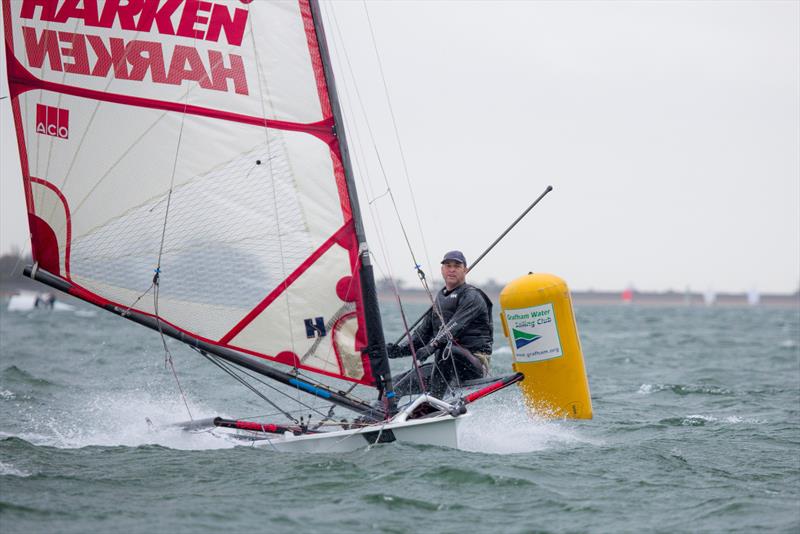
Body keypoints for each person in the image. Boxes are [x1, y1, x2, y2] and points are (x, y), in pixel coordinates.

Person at [387, 250, 493, 398]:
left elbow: (454, 326)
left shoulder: (473, 296)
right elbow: (420, 337)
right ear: (442, 270)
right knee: (394, 385)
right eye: (448, 265)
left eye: (457, 266)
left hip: (473, 365)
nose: (452, 269)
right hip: (443, 366)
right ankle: (380, 416)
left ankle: (434, 405)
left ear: (465, 270)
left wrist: (432, 346)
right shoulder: (440, 298)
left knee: (449, 351)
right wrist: (396, 351)